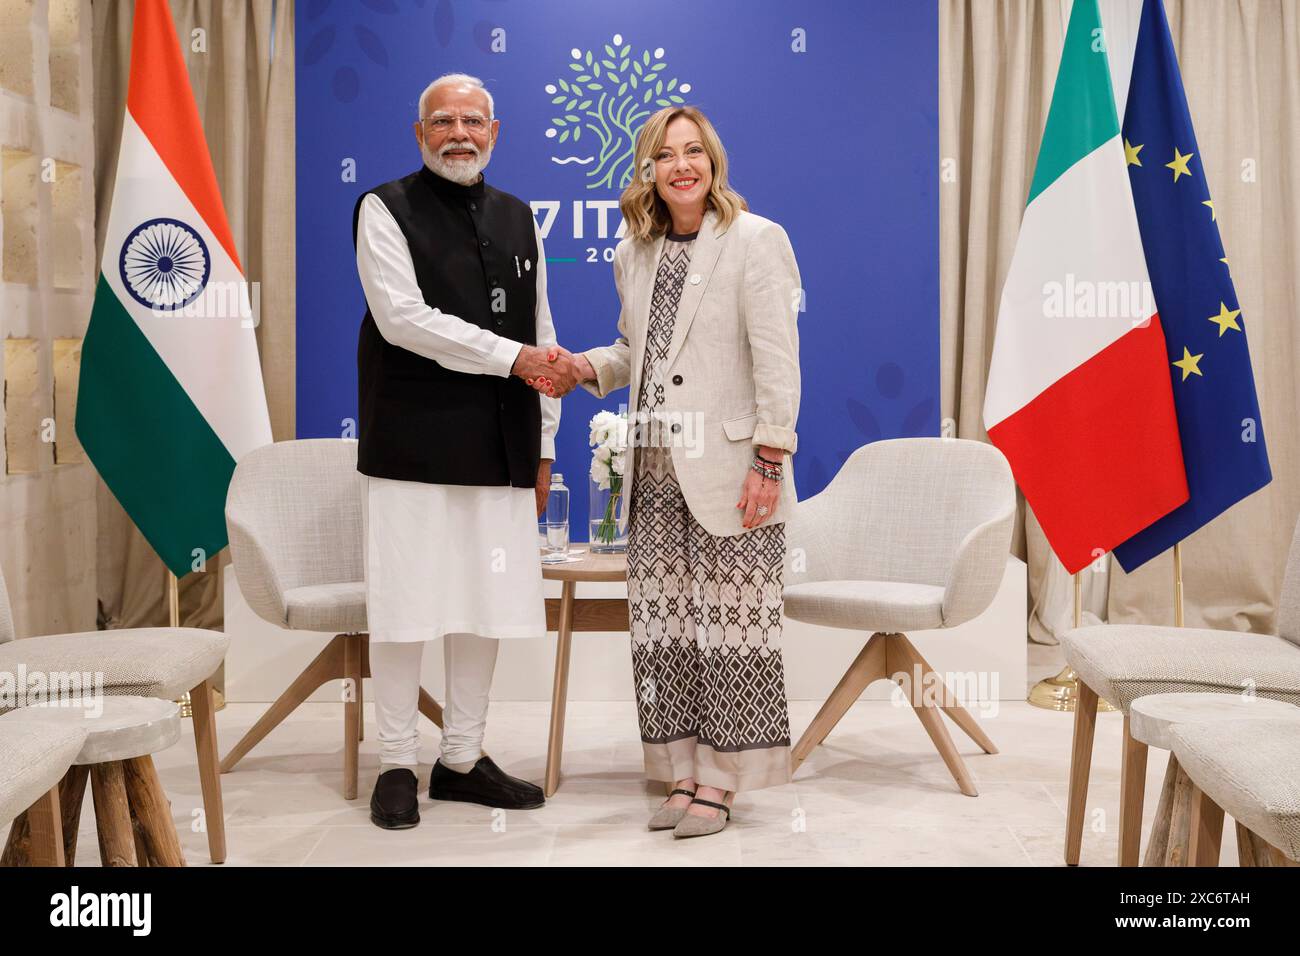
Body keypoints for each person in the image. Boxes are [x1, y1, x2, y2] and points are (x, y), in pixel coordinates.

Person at [535, 105, 802, 839]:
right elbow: (637, 354)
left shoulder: (755, 241)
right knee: (665, 629)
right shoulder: (636, 251)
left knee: (733, 630)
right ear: (647, 169)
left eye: (694, 152)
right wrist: (584, 367)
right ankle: (682, 772)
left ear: (713, 162)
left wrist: (769, 461)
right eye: (666, 154)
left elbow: (778, 360)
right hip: (654, 469)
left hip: (733, 468)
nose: (682, 165)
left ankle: (723, 782)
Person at [353, 72, 585, 829]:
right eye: (443, 121)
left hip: (503, 446)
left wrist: (546, 447)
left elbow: (543, 334)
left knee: (482, 604)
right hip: (410, 446)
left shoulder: (521, 218)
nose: (460, 133)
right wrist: (513, 357)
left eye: (473, 121)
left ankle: (460, 758)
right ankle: (394, 760)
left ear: (495, 132)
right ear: (420, 134)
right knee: (404, 607)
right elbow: (403, 321)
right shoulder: (383, 208)